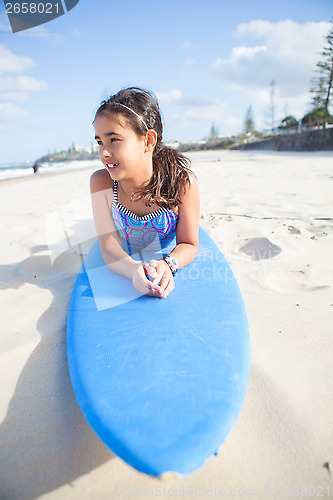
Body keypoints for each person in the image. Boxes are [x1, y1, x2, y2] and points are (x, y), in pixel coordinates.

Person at [90, 87, 200, 299]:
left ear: (148, 141)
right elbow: (108, 246)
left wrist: (168, 264)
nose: (103, 152)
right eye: (99, 141)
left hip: (163, 253)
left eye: (114, 139)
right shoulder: (101, 182)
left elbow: (189, 244)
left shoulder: (181, 184)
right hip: (126, 256)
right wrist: (133, 270)